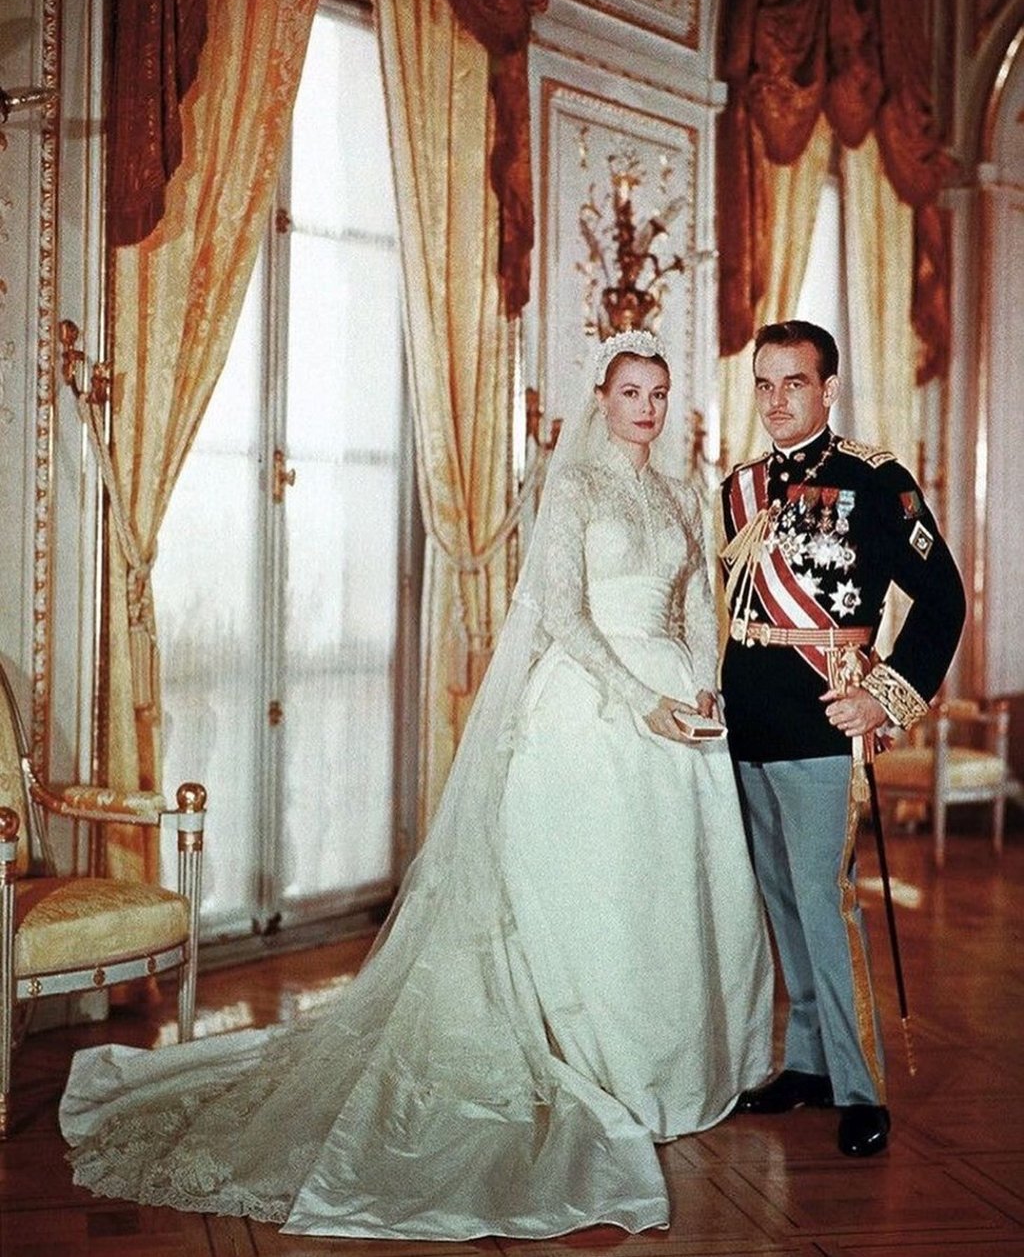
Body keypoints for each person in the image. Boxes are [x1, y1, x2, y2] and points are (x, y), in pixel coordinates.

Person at [59, 329, 774, 1240]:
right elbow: (563, 609)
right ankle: (600, 1069)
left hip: (680, 706)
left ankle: (677, 1069)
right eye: (630, 392)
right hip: (594, 706)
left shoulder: (680, 494)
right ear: (602, 398)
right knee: (601, 887)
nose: (646, 408)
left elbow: (694, 607)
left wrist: (699, 682)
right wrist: (639, 698)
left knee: (674, 890)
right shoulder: (578, 487)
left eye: (659, 394)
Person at [718, 319, 966, 1159]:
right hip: (747, 715)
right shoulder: (740, 488)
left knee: (827, 904)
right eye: (764, 384)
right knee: (783, 901)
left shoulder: (875, 480)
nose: (777, 400)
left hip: (823, 720)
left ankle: (861, 1088)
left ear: (828, 389)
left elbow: (943, 602)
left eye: (794, 383)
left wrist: (886, 698)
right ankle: (810, 1064)